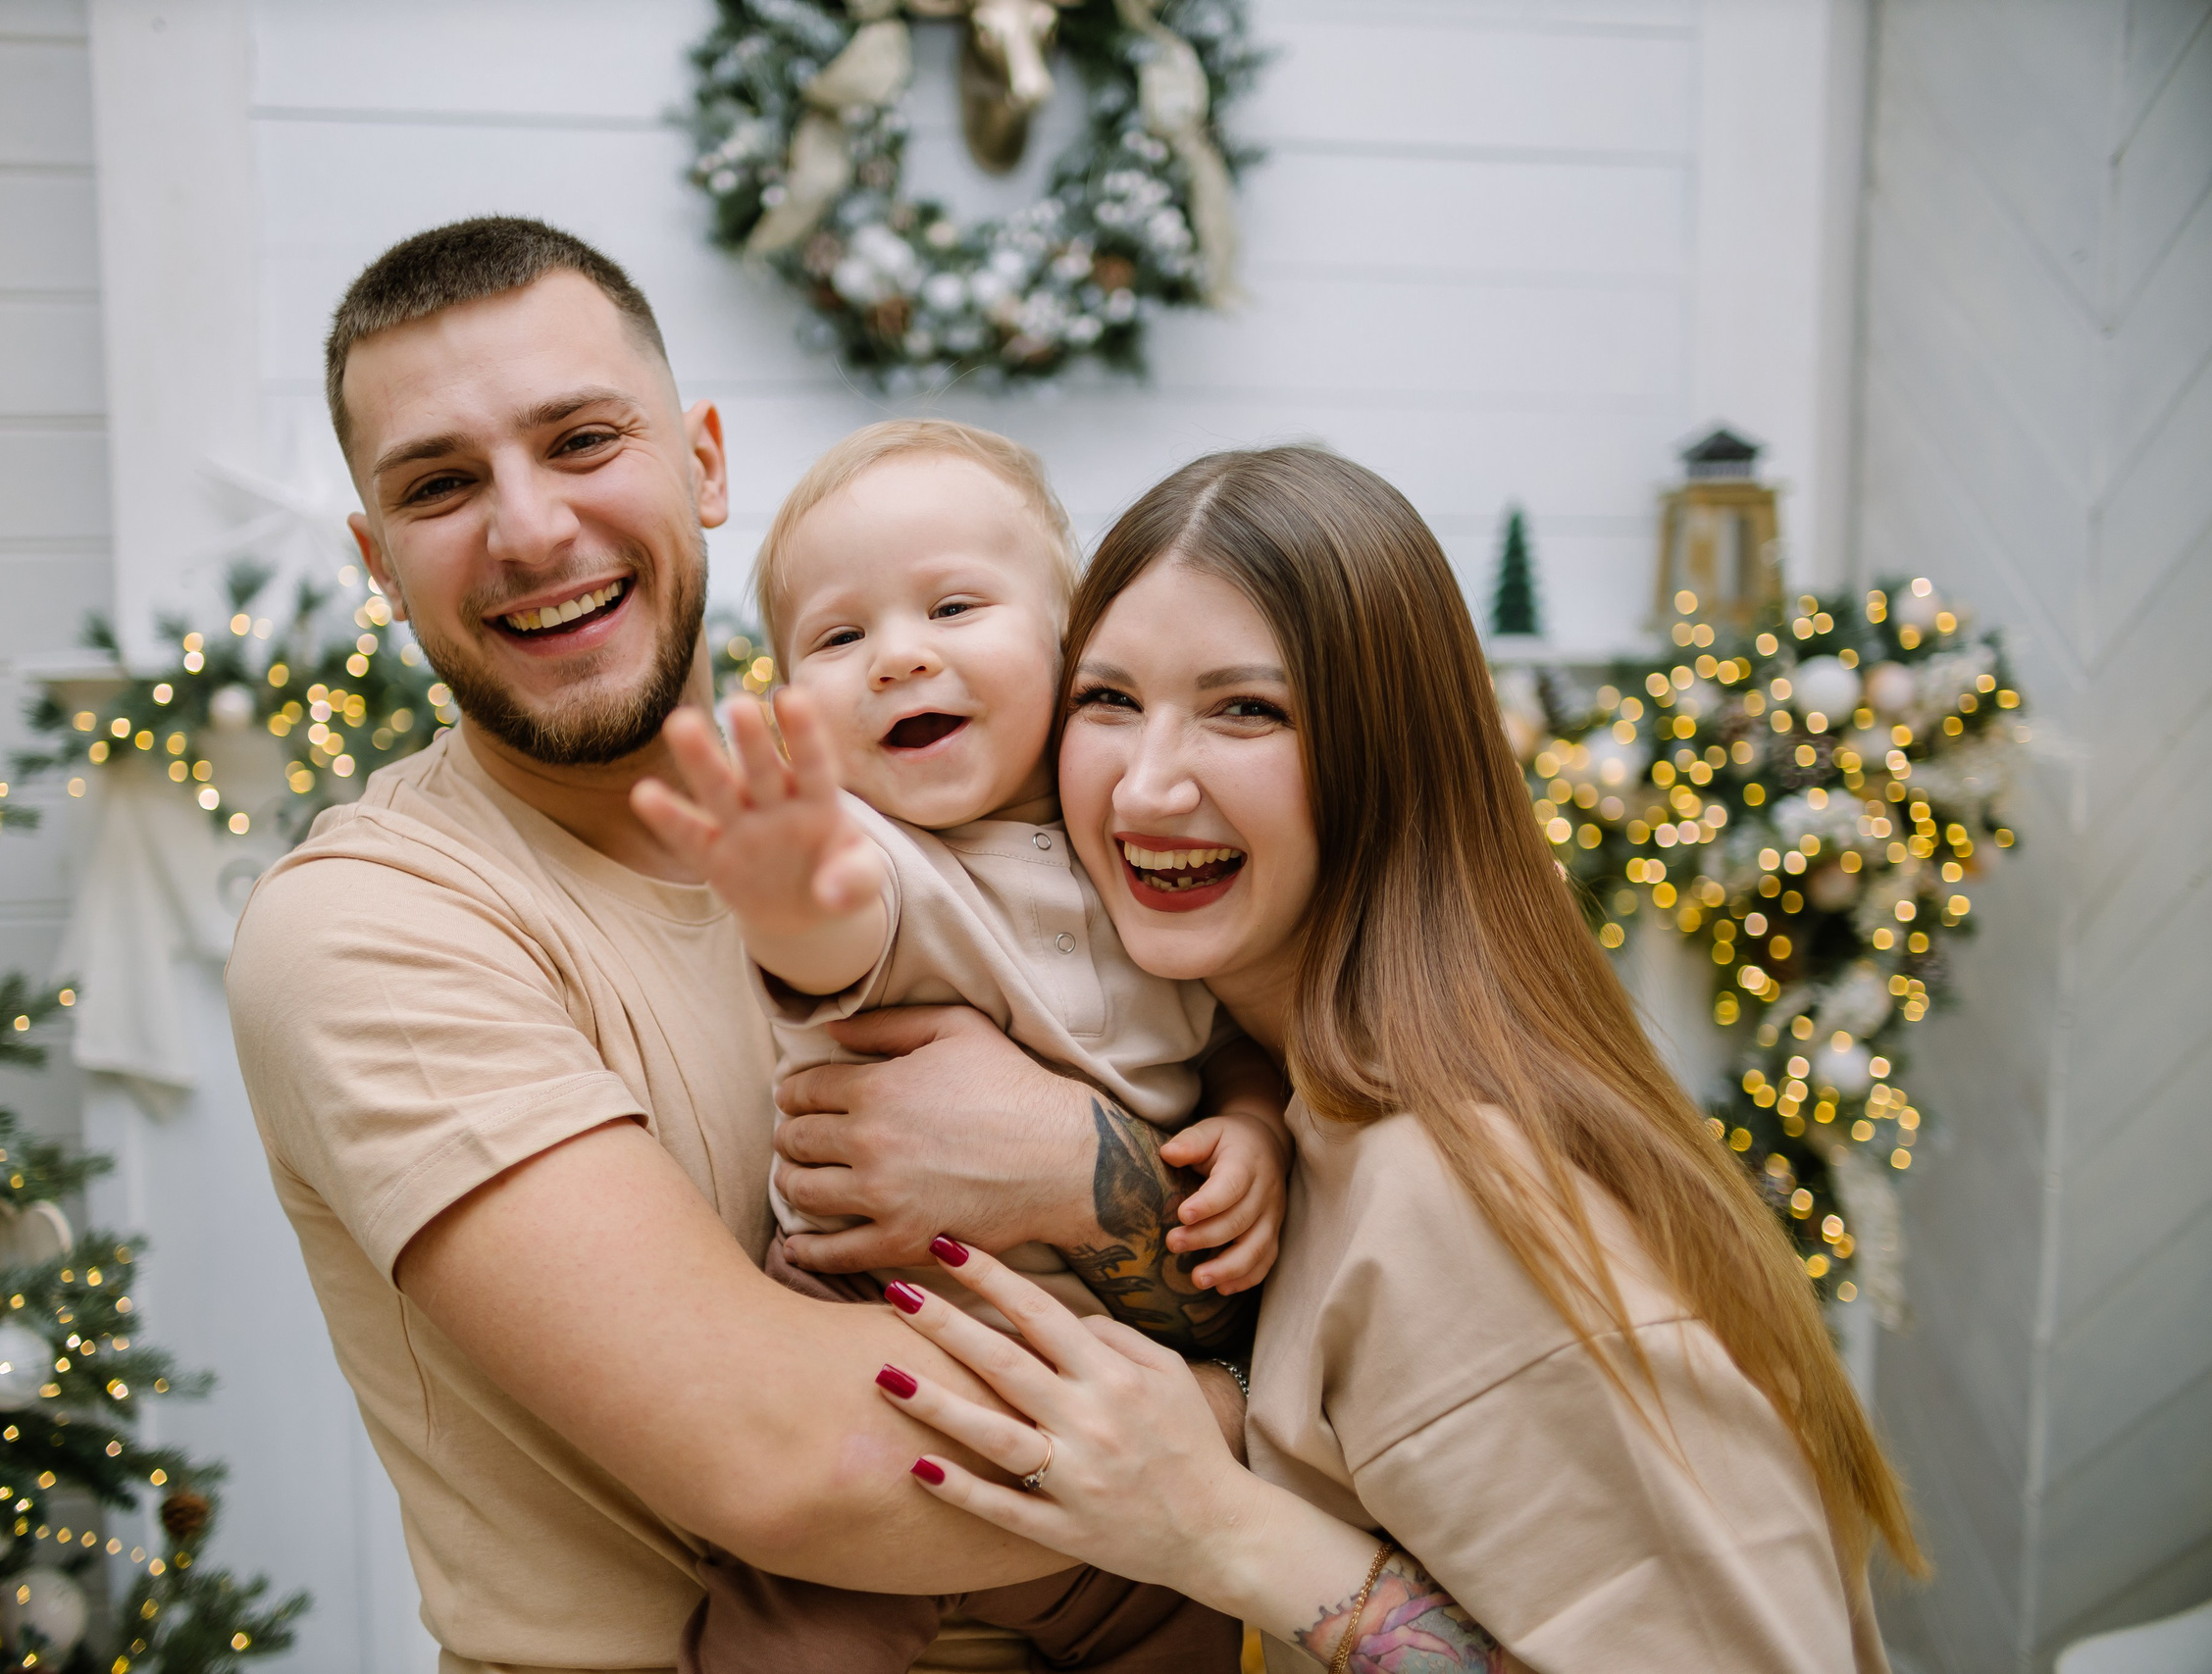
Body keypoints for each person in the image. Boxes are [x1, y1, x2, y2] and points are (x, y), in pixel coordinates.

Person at [225, 217, 1244, 1673]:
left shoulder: (965, 800)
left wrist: (1070, 1167)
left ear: (703, 461)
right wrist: (1309, 1417)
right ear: (377, 559)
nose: (528, 531)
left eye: (582, 439)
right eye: (441, 484)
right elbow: (799, 1459)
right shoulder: (376, 925)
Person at [860, 446, 1920, 1672]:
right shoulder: (1266, 1098)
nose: (1146, 785)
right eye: (1107, 700)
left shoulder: (1457, 1189)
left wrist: (1219, 1527)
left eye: (1245, 708)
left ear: (1386, 751)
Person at [631, 419, 1294, 1670]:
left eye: (951, 606)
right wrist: (785, 887)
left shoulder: (1143, 842)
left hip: (1127, 1425)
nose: (895, 658)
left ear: (1069, 643)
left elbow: (1227, 1027)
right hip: (881, 1362)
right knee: (792, 1638)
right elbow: (837, 934)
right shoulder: (881, 855)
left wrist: (1251, 1119)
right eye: (838, 636)